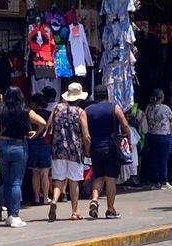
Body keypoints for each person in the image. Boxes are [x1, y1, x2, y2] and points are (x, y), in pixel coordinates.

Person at [0, 87, 45, 228]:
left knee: (7, 182)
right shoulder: (25, 110)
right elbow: (42, 123)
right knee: (16, 182)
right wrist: (35, 133)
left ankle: (9, 215)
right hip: (19, 145)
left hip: (2, 145)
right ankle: (15, 215)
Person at [85, 86, 130, 219]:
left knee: (99, 176)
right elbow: (125, 125)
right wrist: (128, 138)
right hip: (111, 147)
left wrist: (87, 150)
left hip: (95, 148)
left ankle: (94, 200)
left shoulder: (87, 110)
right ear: (107, 94)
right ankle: (110, 210)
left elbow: (85, 132)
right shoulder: (114, 107)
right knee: (110, 179)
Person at [47, 83, 90, 221]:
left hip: (58, 149)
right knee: (74, 181)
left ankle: (54, 200)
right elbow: (86, 135)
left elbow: (48, 127)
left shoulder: (57, 108)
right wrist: (87, 151)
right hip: (75, 151)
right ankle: (74, 211)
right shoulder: (80, 112)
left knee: (59, 179)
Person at [142, 88, 172, 189]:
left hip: (151, 135)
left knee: (153, 159)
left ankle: (154, 182)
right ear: (161, 97)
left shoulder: (148, 107)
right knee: (163, 159)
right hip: (163, 135)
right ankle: (163, 181)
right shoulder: (165, 108)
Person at [29, 88, 55, 206]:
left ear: (35, 103)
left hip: (32, 144)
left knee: (35, 173)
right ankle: (45, 197)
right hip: (45, 144)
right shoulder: (48, 114)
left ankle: (36, 198)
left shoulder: (30, 115)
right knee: (45, 173)